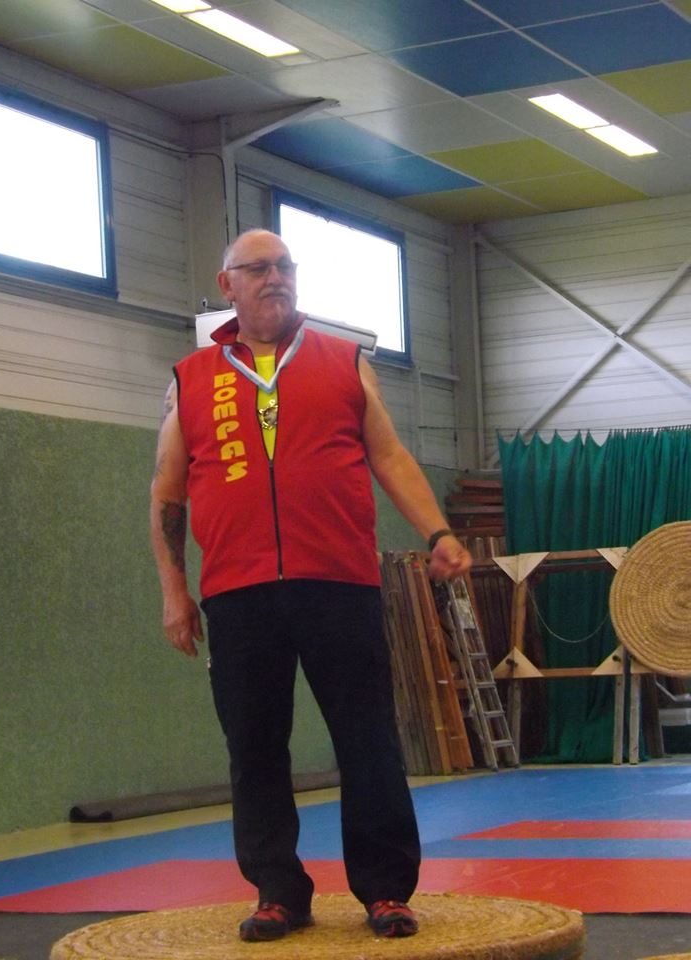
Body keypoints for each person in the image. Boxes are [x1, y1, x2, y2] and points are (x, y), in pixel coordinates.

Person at [150, 228, 472, 942]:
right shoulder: (191, 379)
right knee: (255, 748)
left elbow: (390, 456)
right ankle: (278, 891)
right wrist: (175, 589)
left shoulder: (343, 361)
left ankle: (385, 890)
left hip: (338, 582)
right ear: (227, 284)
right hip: (238, 592)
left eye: (285, 266)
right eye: (258, 269)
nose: (275, 278)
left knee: (368, 739)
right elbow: (167, 494)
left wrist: (438, 534)